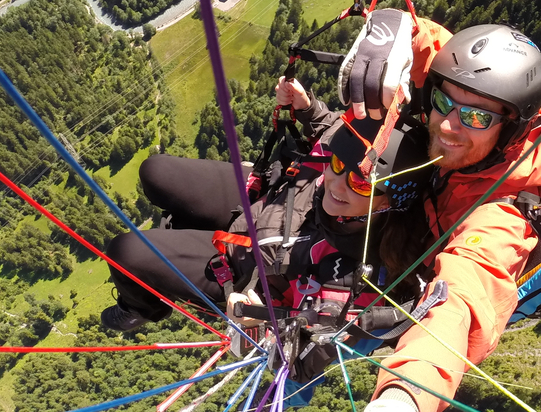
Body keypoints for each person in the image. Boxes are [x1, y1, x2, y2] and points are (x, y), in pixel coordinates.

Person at [339, 10, 541, 412]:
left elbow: (461, 296)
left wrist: (403, 403)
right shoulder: (462, 105)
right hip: (425, 221)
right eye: (443, 102)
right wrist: (395, 29)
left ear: (510, 129)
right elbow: (435, 51)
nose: (448, 126)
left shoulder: (505, 215)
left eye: (478, 116)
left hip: (429, 270)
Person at [99, 74, 436, 383]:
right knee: (154, 171)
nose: (336, 184)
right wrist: (307, 107)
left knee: (124, 253)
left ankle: (141, 307)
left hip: (243, 269)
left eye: (361, 185)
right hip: (265, 201)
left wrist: (260, 323)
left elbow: (302, 363)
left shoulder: (358, 279)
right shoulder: (352, 156)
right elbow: (335, 131)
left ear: (390, 203)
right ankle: (185, 231)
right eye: (335, 164)